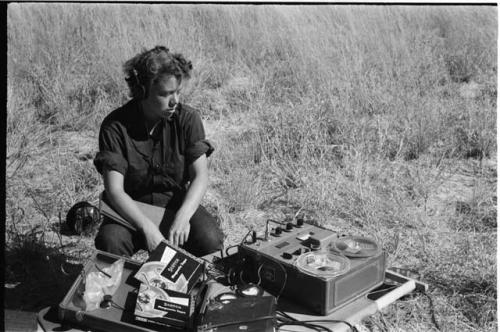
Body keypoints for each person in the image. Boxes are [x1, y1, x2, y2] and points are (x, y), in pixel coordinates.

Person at [93, 46, 224, 257]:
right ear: (142, 91)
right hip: (131, 207)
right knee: (111, 242)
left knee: (211, 240)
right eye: (165, 94)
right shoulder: (115, 127)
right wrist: (146, 227)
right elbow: (115, 191)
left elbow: (200, 176)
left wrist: (183, 217)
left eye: (178, 92)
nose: (175, 101)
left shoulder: (188, 119)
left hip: (175, 203)